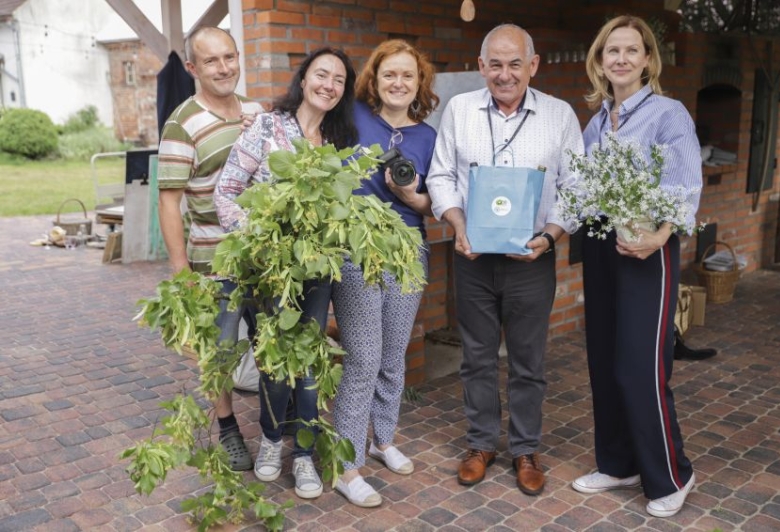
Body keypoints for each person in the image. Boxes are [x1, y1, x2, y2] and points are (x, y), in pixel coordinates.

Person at [426, 24, 583, 496]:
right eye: (495, 63)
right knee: (475, 357)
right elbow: (441, 176)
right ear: (481, 66)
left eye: (515, 63)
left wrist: (551, 237)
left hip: (531, 258)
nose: (505, 73)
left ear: (532, 66)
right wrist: (457, 225)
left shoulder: (559, 116)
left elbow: (577, 188)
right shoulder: (459, 109)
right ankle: (480, 444)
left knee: (528, 360)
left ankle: (525, 449)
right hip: (472, 257)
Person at [570, 16, 701, 518]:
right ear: (600, 61)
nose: (620, 59)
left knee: (640, 367)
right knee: (603, 358)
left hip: (650, 247)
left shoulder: (668, 113)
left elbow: (685, 183)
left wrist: (662, 235)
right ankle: (617, 462)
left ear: (647, 59)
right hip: (604, 246)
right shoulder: (599, 120)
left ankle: (673, 475)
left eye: (631, 50)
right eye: (611, 51)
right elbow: (580, 185)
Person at [214, 47, 358, 499]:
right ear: (304, 78)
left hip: (315, 275)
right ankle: (273, 442)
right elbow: (227, 192)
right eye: (321, 74)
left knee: (312, 362)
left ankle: (304, 455)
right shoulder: (266, 126)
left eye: (338, 79)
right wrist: (264, 237)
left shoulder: (339, 144)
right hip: (270, 271)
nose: (328, 85)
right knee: (275, 362)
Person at [331, 39, 438, 508]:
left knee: (394, 354)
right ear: (374, 80)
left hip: (408, 248)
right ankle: (345, 465)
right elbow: (304, 122)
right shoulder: (352, 117)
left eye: (407, 76)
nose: (398, 83)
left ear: (419, 84)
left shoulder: (428, 137)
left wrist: (415, 196)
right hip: (357, 249)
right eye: (389, 74)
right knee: (362, 357)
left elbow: (434, 202)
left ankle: (383, 439)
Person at [156, 26, 264, 472]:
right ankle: (229, 429)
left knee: (272, 342)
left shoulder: (256, 111)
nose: (224, 68)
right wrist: (181, 269)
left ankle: (278, 424)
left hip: (264, 258)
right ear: (192, 68)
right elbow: (169, 199)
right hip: (212, 259)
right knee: (217, 352)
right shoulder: (182, 123)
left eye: (230, 57)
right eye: (212, 61)